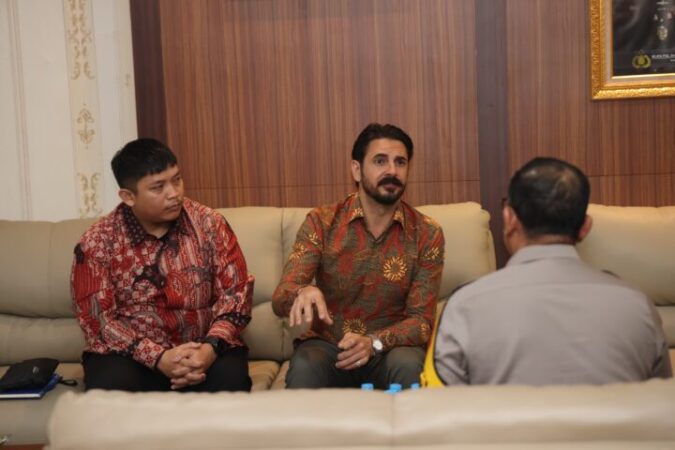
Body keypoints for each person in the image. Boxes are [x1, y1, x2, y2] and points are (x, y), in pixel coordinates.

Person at [423, 157, 672, 386]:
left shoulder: (462, 307)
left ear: (509, 219)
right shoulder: (638, 306)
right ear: (585, 227)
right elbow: (660, 402)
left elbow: (438, 407)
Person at [71, 138, 254, 392]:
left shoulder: (210, 224)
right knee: (110, 385)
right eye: (158, 187)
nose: (174, 193)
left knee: (231, 380)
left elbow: (236, 295)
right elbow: (98, 321)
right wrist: (157, 358)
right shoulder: (97, 241)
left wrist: (209, 349)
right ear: (128, 196)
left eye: (177, 180)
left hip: (204, 348)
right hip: (131, 357)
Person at [272, 123, 445, 389]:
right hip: (330, 346)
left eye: (400, 162)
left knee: (409, 366)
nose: (392, 171)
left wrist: (374, 342)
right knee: (306, 365)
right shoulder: (322, 222)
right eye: (380, 161)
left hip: (389, 350)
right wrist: (302, 291)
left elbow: (421, 322)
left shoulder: (427, 233)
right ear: (356, 169)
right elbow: (280, 298)